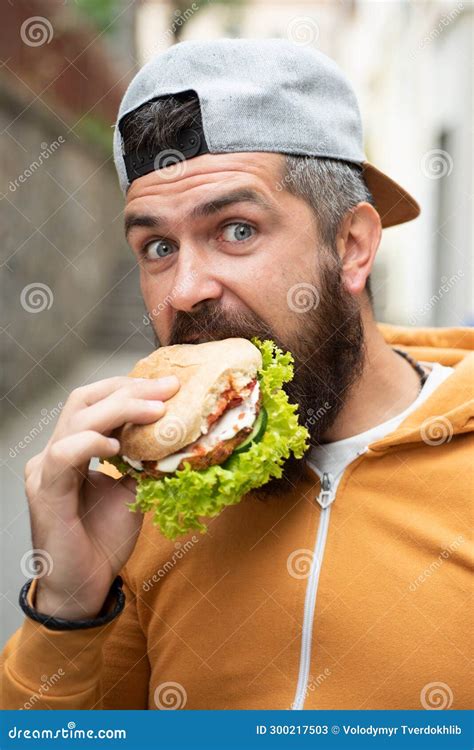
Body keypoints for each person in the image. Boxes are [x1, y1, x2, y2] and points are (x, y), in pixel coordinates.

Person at [1, 38, 472, 711]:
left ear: (352, 245)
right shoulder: (134, 508)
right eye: (158, 247)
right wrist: (69, 611)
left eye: (236, 229)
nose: (186, 288)